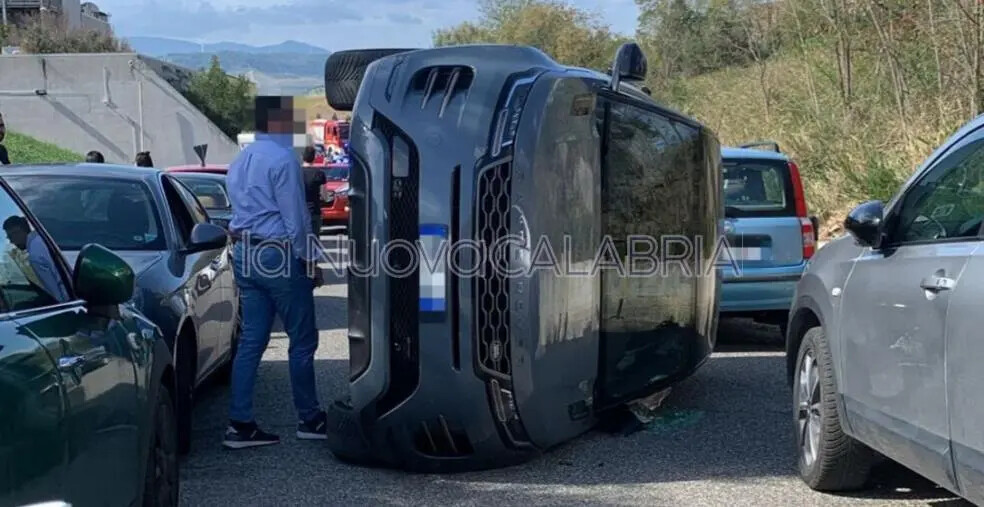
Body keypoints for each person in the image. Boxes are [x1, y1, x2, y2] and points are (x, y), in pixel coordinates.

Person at [223, 96, 326, 449]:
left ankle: (240, 423)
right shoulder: (283, 160)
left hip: (245, 252)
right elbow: (296, 220)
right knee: (302, 339)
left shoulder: (240, 160)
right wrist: (311, 261)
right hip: (277, 254)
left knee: (252, 339)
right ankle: (310, 418)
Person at [3, 216, 69, 303]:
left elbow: (55, 292)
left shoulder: (35, 255)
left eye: (11, 237)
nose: (11, 242)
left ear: (18, 232)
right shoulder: (43, 239)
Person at [301, 146, 326, 236]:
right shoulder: (319, 173)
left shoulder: (296, 173)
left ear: (302, 157)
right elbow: (325, 195)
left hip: (299, 212)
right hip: (314, 211)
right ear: (314, 157)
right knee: (314, 238)